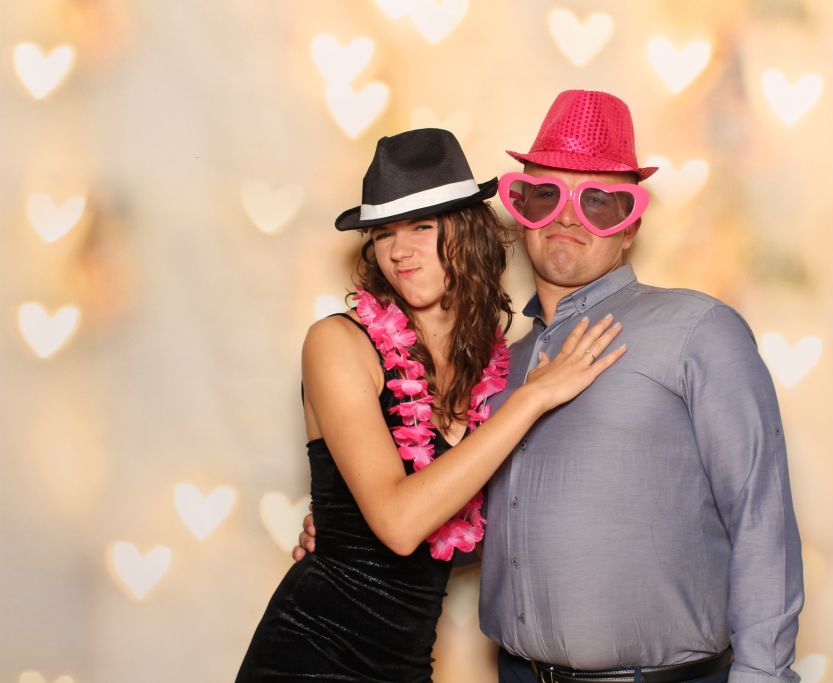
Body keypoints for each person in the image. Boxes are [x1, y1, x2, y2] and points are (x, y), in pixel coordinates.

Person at [297, 91, 804, 683]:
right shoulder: (497, 371)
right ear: (519, 212)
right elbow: (484, 527)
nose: (566, 217)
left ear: (631, 226)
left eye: (598, 202)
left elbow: (761, 517)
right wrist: (349, 530)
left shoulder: (697, 330)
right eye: (544, 196)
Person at [236, 127, 627, 683]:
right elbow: (400, 525)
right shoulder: (338, 343)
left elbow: (459, 531)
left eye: (422, 226)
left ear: (468, 232)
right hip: (312, 656)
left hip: (407, 665)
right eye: (384, 233)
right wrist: (534, 397)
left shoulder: (487, 368)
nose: (399, 251)